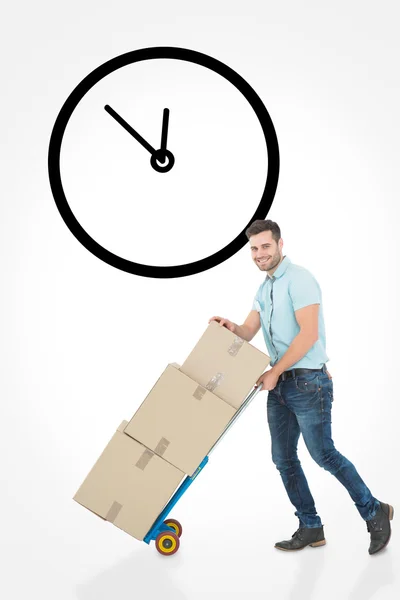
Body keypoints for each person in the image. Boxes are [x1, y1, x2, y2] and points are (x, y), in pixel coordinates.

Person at [209, 219, 393, 555]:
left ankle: (374, 511)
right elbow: (248, 331)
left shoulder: (301, 279)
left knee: (323, 454)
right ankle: (310, 526)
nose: (259, 254)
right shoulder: (264, 290)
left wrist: (275, 372)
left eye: (265, 246)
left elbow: (307, 334)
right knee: (283, 458)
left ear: (280, 245)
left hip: (308, 382)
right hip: (280, 387)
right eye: (253, 248)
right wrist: (229, 326)